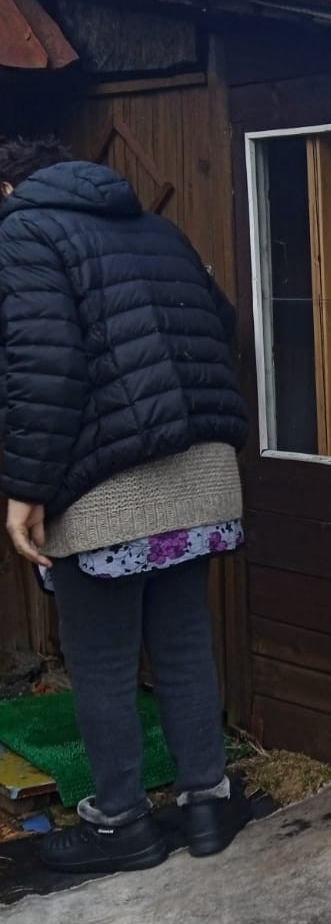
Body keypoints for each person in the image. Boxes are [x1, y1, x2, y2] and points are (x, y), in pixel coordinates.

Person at [0, 137, 249, 873]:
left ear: (8, 187)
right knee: (182, 642)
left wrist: (26, 490)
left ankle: (122, 823)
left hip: (107, 484)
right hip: (202, 472)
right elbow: (222, 320)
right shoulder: (158, 230)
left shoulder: (24, 231)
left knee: (102, 660)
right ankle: (207, 806)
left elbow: (44, 369)